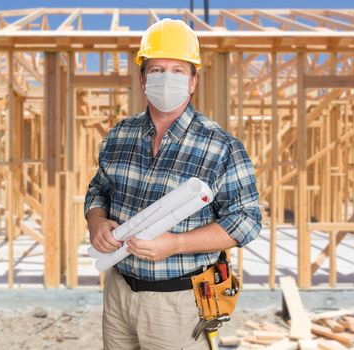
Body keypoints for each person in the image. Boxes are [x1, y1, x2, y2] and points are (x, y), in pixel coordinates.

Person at [84, 18, 262, 350]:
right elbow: (99, 189)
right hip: (119, 291)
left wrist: (176, 244)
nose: (167, 78)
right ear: (142, 79)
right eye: (157, 70)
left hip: (178, 303)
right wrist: (96, 220)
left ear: (193, 81)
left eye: (178, 71)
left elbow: (247, 222)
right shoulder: (119, 136)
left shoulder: (221, 146)